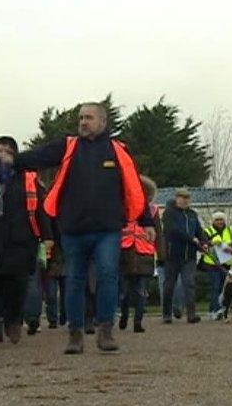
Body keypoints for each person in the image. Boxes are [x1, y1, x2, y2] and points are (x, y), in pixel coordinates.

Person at [12, 102, 152, 354]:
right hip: (73, 229)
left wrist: (147, 221)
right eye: (80, 118)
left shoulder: (118, 151)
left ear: (102, 122)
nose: (83, 122)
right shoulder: (68, 146)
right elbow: (36, 157)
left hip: (107, 229)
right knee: (75, 280)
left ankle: (105, 332)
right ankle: (75, 334)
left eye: (88, 117)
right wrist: (11, 161)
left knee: (108, 277)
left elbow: (133, 187)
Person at [0, 136, 53, 349]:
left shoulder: (27, 177)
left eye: (8, 150)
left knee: (16, 285)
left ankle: (13, 322)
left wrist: (47, 236)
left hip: (19, 238)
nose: (3, 154)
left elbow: (40, 209)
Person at [119, 175, 161, 333]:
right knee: (123, 291)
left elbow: (159, 234)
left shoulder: (152, 210)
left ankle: (138, 321)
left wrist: (162, 256)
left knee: (141, 291)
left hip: (145, 255)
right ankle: (124, 315)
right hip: (125, 253)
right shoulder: (121, 207)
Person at [161, 188, 207, 324]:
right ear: (176, 198)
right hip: (173, 255)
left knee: (189, 283)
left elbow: (199, 231)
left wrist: (203, 242)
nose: (185, 200)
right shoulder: (169, 213)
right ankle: (167, 314)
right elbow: (173, 230)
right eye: (182, 197)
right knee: (169, 285)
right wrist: (191, 239)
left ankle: (191, 314)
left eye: (187, 198)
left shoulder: (193, 214)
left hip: (190, 256)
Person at [199, 212, 232, 320]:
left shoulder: (230, 231)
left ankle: (218, 309)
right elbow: (203, 245)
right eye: (217, 220)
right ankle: (214, 310)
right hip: (212, 263)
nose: (219, 222)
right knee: (215, 287)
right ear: (213, 221)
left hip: (225, 264)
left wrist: (230, 249)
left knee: (222, 288)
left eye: (221, 219)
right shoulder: (207, 231)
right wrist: (212, 243)